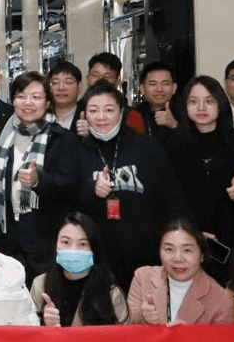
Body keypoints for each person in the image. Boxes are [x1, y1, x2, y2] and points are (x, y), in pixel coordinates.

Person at [75, 82, 192, 289]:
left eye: (109, 110)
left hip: (147, 255)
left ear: (122, 112)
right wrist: (92, 190)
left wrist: (185, 237)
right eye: (93, 111)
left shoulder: (147, 147)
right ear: (84, 115)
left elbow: (172, 198)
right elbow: (71, 204)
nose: (101, 117)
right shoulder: (79, 152)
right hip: (98, 259)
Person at [164, 75, 234, 264]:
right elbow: (164, 195)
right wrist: (190, 232)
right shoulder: (173, 146)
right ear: (185, 106)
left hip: (233, 242)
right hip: (185, 239)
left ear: (220, 104)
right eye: (193, 101)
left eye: (209, 101)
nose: (201, 107)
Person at [0, 71, 80, 278]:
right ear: (13, 100)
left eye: (36, 97)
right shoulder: (3, 138)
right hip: (8, 242)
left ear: (47, 103)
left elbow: (70, 187)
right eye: (21, 96)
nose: (28, 103)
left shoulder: (62, 139)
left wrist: (39, 180)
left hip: (45, 242)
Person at [127, 219, 234, 325]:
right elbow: (125, 327)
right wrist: (142, 317)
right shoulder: (143, 277)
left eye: (187, 250)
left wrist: (186, 334)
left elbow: (224, 338)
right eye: (169, 249)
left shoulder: (221, 299)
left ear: (202, 255)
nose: (178, 258)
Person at [30, 212, 128, 326]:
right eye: (66, 242)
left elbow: (124, 334)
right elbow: (29, 332)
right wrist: (45, 325)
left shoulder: (111, 292)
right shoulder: (40, 285)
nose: (73, 250)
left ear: (94, 248)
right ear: (55, 244)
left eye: (82, 244)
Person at [132, 60, 180, 144]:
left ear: (174, 88)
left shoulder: (188, 112)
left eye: (165, 84)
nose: (159, 89)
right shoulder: (134, 116)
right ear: (142, 89)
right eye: (153, 84)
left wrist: (175, 126)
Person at [45, 60, 82, 129]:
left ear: (79, 87)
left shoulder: (88, 118)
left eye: (68, 82)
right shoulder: (41, 118)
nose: (61, 88)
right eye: (55, 82)